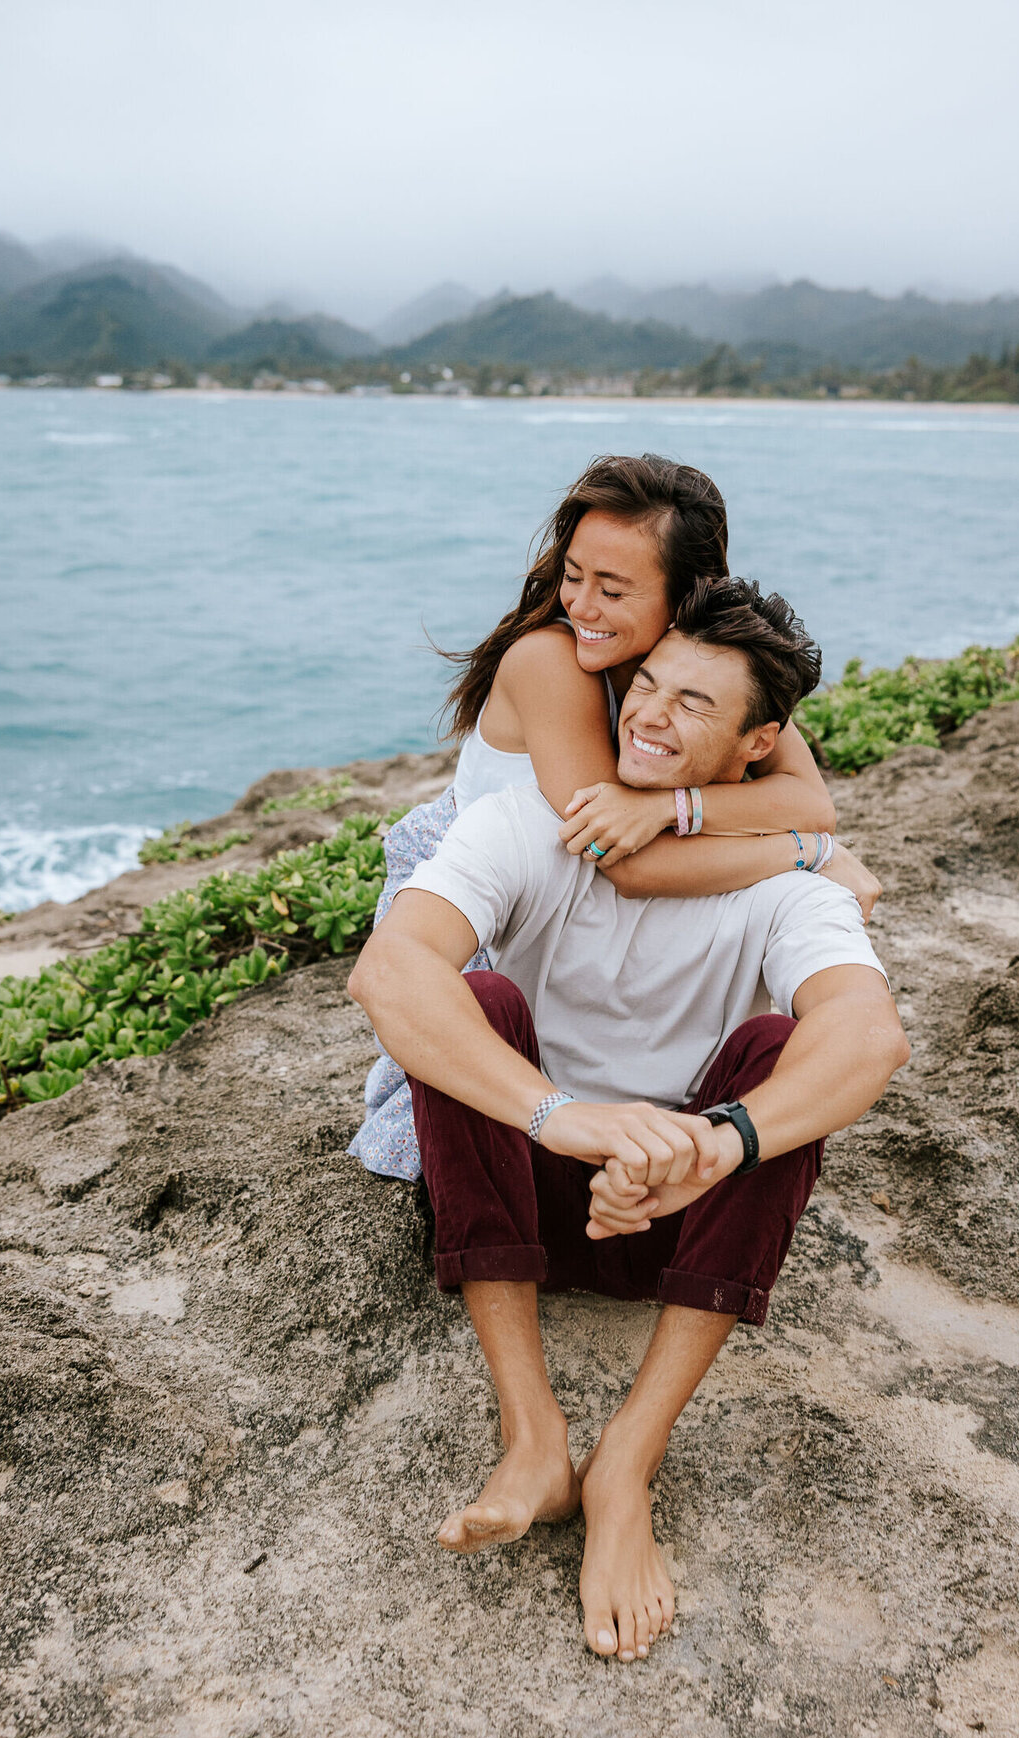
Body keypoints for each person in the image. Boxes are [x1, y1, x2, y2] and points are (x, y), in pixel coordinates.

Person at [347, 578, 910, 1663]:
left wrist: (717, 1143)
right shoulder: (528, 824)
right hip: (528, 1189)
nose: (649, 713)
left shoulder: (790, 884)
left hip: (680, 1210)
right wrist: (562, 1116)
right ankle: (536, 1438)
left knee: (780, 1055)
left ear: (760, 748)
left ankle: (625, 1466)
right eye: (644, 684)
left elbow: (868, 1039)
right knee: (475, 1002)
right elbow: (390, 972)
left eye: (694, 704)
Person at [350, 454, 878, 1178]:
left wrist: (672, 803)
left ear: (688, 594)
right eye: (573, 576)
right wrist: (809, 856)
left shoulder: (699, 661)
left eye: (614, 588)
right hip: (499, 895)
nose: (583, 607)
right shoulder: (551, 660)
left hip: (591, 902)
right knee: (481, 1121)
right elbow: (633, 865)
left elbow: (811, 801)